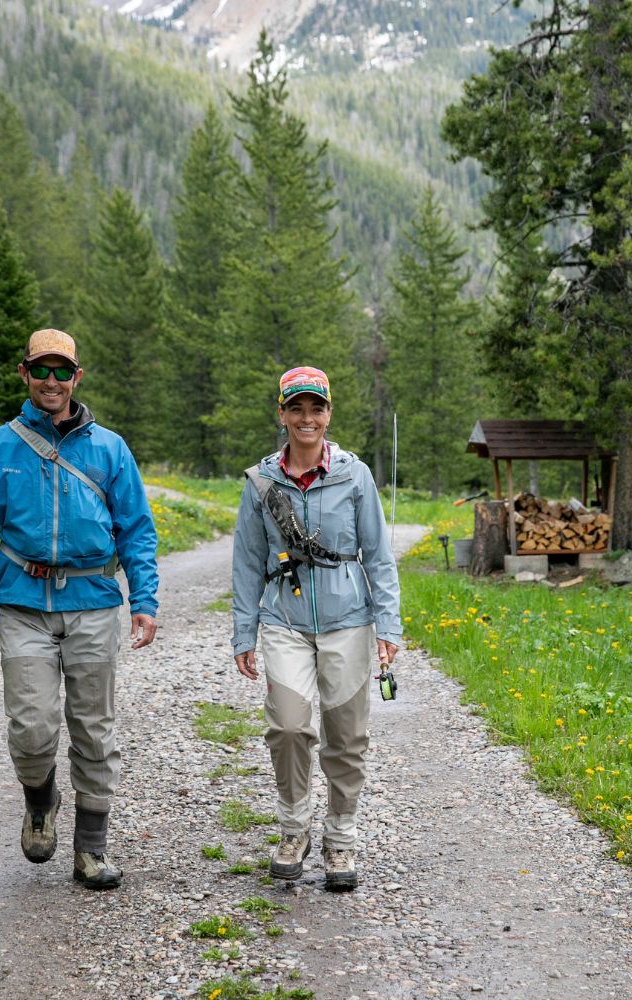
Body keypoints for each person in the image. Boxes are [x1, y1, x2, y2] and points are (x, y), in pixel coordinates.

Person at [0, 328, 159, 891]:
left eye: (61, 371)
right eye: (41, 370)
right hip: (22, 605)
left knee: (94, 728)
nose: (51, 381)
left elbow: (137, 529)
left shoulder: (110, 449)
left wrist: (144, 599)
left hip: (93, 604)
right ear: (24, 373)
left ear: (77, 377)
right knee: (31, 728)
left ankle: (91, 850)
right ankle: (40, 800)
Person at [232, 366, 401, 891]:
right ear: (281, 414)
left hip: (349, 621)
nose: (307, 418)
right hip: (283, 620)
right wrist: (243, 633)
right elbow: (246, 561)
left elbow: (378, 555)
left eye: (316, 408)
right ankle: (292, 829)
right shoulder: (261, 481)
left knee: (346, 737)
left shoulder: (355, 475)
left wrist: (387, 626)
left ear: (329, 414)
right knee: (287, 727)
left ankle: (341, 838)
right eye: (297, 408)